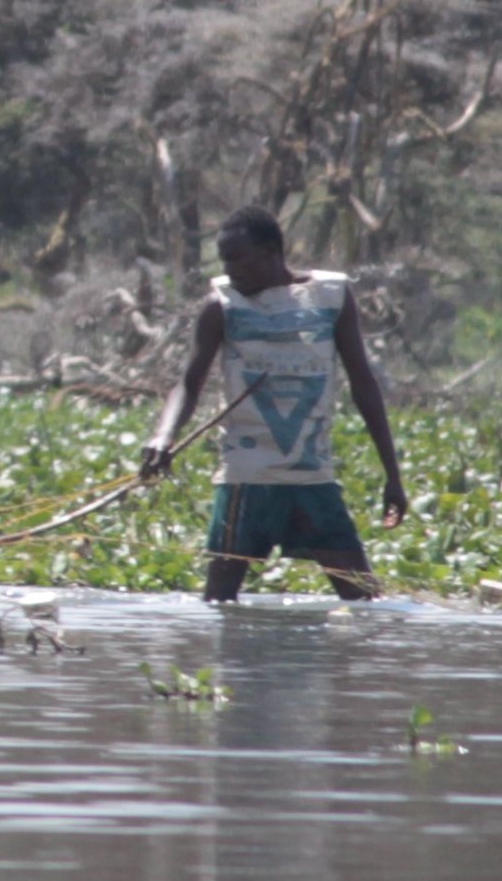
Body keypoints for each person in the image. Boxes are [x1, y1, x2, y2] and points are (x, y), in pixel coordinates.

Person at [135, 207, 408, 603]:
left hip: (312, 479)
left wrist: (392, 475)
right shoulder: (219, 307)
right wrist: (163, 436)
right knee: (219, 605)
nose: (230, 270)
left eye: (238, 258)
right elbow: (188, 384)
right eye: (224, 260)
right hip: (247, 480)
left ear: (270, 253)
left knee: (365, 600)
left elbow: (363, 384)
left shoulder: (330, 297)